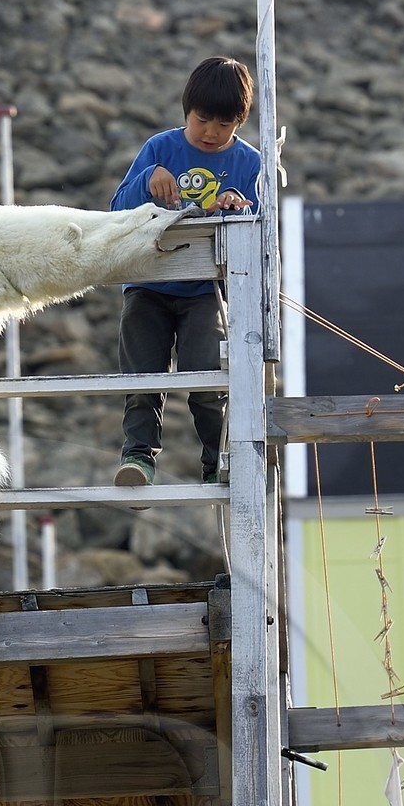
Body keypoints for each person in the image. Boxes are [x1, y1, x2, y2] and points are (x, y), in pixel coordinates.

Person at [107, 56, 263, 488]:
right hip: (148, 285)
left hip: (203, 291)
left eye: (224, 124)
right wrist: (147, 181)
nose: (211, 132)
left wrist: (239, 205)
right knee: (143, 379)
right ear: (186, 112)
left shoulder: (249, 163)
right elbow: (117, 211)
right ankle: (138, 458)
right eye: (202, 120)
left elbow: (262, 226)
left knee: (209, 380)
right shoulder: (159, 149)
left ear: (240, 122)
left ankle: (217, 460)